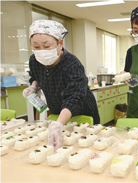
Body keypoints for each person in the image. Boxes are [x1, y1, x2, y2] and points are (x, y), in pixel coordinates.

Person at [23, 20, 100, 150]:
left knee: (85, 147)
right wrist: (34, 87)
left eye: (47, 47)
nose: (41, 51)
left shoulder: (72, 64)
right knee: (61, 148)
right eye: (36, 47)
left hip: (82, 111)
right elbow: (35, 77)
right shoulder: (34, 60)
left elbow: (74, 98)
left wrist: (59, 123)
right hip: (58, 111)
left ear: (60, 43)